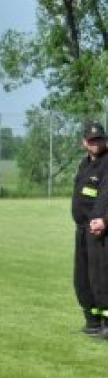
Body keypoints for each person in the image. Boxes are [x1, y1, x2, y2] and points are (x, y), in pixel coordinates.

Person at [74, 122, 108, 334]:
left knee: (102, 276)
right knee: (83, 277)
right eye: (92, 140)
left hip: (101, 229)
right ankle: (93, 322)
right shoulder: (85, 164)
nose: (96, 143)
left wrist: (104, 220)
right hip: (83, 229)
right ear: (84, 142)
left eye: (100, 139)